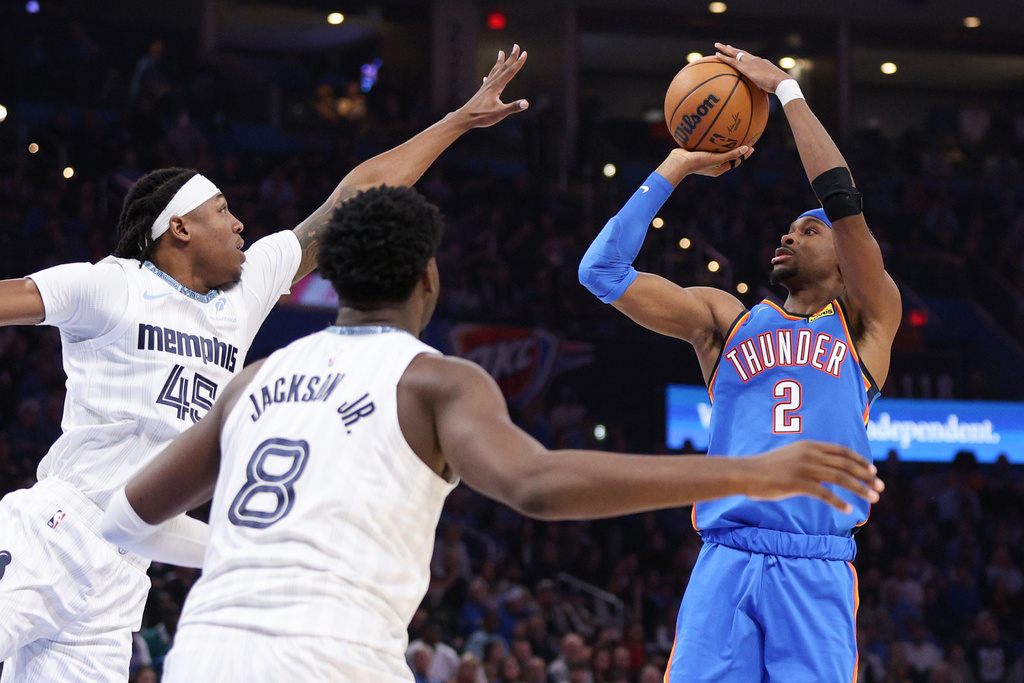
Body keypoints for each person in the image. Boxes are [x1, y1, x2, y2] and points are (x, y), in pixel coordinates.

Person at [100, 184, 882, 681]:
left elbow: (127, 517)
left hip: (207, 652)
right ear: (428, 280)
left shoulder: (252, 383)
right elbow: (537, 485)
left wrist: (237, 553)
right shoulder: (437, 378)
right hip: (333, 654)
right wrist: (750, 474)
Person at [0, 45, 531, 682]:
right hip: (57, 528)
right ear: (179, 230)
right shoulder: (108, 286)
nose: (240, 222)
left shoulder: (244, 291)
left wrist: (457, 121)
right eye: (222, 211)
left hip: (125, 565)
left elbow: (352, 197)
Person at [577, 43, 902, 682]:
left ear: (845, 260)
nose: (788, 235)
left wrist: (786, 92)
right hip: (726, 554)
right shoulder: (727, 321)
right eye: (787, 228)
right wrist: (675, 166)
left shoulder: (866, 324)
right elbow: (600, 272)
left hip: (816, 565)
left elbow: (840, 199)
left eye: (808, 231)